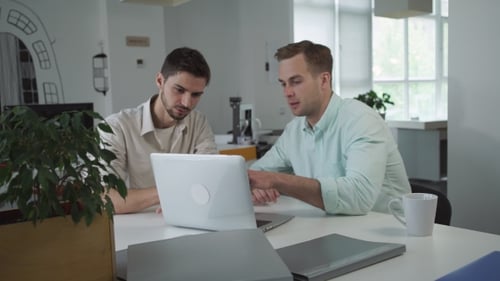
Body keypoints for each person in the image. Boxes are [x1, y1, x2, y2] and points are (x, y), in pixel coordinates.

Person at [248, 40, 411, 215]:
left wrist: (276, 181)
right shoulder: (294, 130)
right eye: (283, 83)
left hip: (390, 231)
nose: (287, 92)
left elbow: (360, 196)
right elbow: (257, 175)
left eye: (295, 82)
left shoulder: (361, 120)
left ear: (324, 80)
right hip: (333, 228)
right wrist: (256, 187)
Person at [100, 47, 217, 214]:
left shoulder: (198, 122)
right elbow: (105, 198)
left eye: (196, 94)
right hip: (135, 226)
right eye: (179, 90)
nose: (187, 103)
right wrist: (169, 193)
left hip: (187, 217)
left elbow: (211, 178)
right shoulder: (117, 126)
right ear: (160, 81)